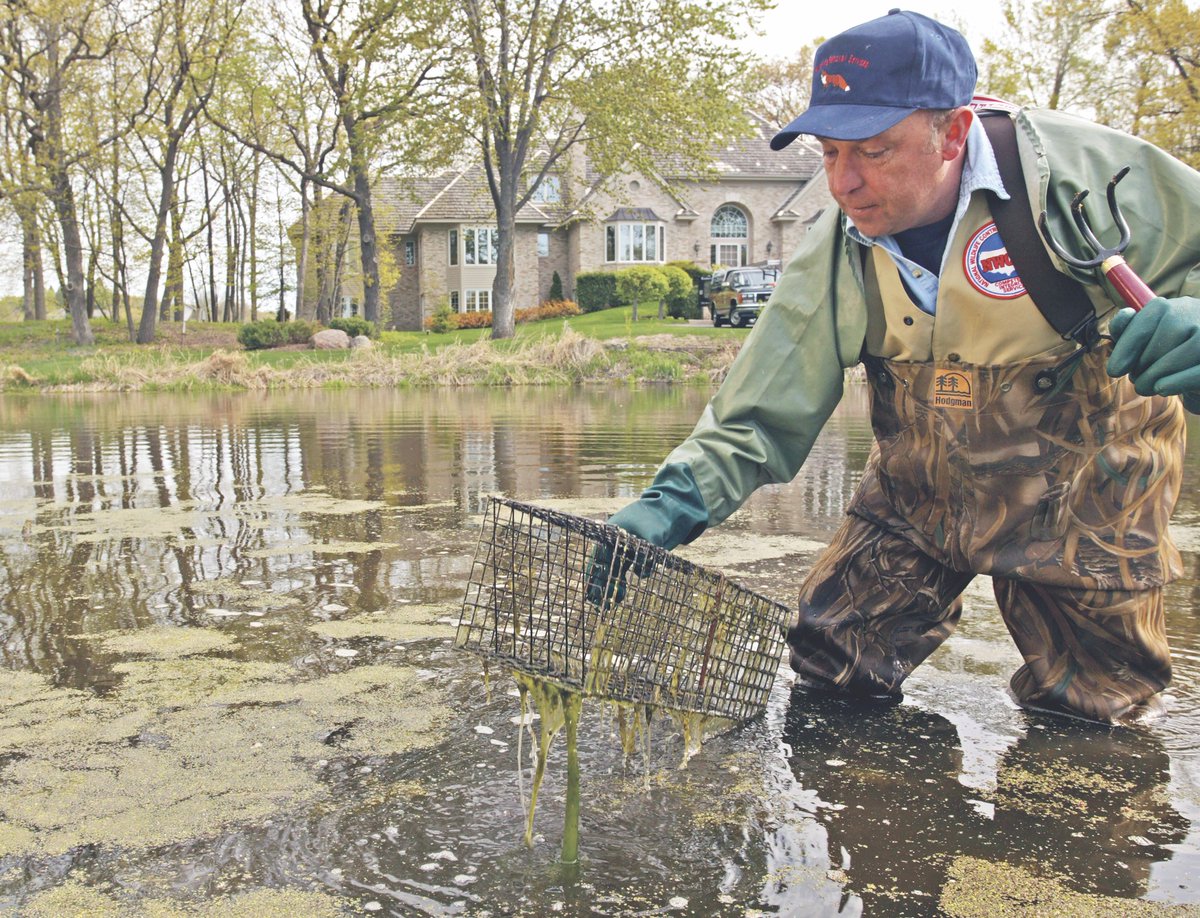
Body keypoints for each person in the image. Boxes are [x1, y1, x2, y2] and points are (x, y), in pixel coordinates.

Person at [599, 10, 1200, 724]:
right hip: (920, 494)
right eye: (829, 153)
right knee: (832, 659)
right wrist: (669, 506)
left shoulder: (1092, 175)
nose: (843, 183)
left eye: (874, 151)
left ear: (954, 133)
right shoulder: (842, 242)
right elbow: (761, 404)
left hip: (1085, 496)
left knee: (1094, 711)